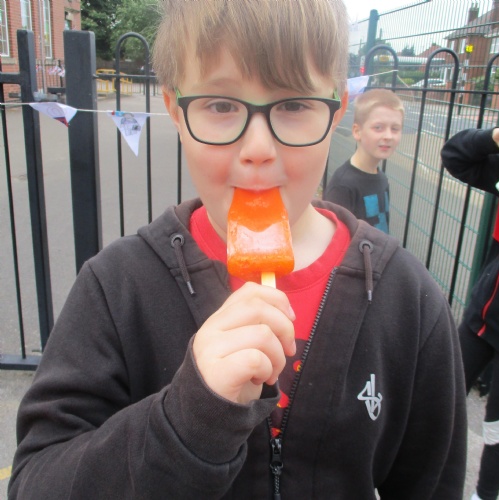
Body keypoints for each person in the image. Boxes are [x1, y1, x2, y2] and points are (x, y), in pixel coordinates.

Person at [9, 1, 466, 498]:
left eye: (294, 105)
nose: (258, 148)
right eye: (221, 106)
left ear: (337, 108)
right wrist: (189, 418)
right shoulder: (117, 288)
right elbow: (36, 483)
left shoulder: (408, 300)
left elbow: (433, 483)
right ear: (175, 111)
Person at [441, 127, 499, 500]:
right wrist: (493, 136)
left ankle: (486, 493)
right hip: (483, 319)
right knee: (443, 395)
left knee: (497, 429)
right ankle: (425, 477)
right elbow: (455, 157)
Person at [323, 88, 404, 234]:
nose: (388, 136)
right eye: (378, 128)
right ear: (357, 131)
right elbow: (334, 237)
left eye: (395, 129)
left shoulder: (382, 178)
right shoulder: (342, 186)